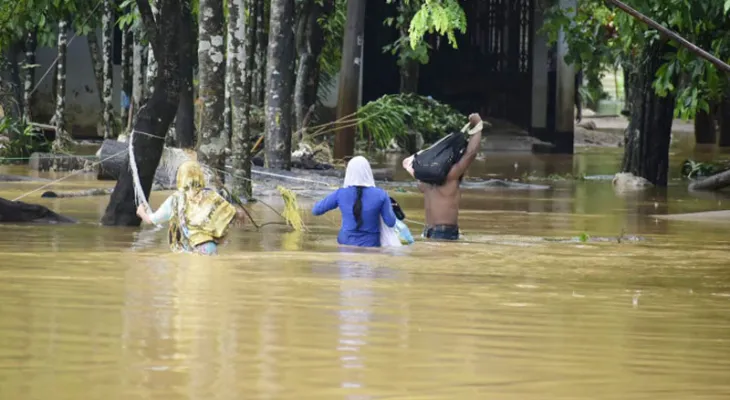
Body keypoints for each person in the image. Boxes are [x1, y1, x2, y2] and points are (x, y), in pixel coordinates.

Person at [401, 113, 484, 241]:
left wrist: (429, 152)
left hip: (428, 232)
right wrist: (478, 125)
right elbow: (471, 153)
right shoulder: (451, 175)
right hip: (444, 233)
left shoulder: (423, 179)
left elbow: (407, 162)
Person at [136, 160, 245, 255]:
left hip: (192, 248)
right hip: (210, 246)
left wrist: (141, 212)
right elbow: (231, 212)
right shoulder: (210, 195)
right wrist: (239, 213)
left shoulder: (175, 199)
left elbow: (151, 220)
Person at [312, 156, 397, 247]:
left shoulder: (340, 194)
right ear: (368, 172)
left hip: (345, 243)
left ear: (349, 172)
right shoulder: (381, 195)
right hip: (371, 245)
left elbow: (316, 211)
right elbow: (391, 222)